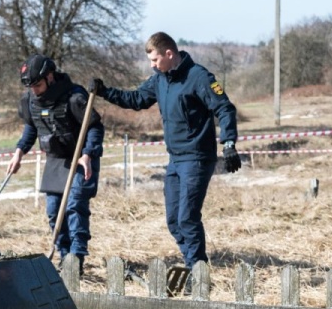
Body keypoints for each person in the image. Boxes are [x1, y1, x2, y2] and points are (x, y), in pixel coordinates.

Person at [88, 32, 241, 271]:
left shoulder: (199, 77)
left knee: (187, 218)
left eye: (155, 60)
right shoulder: (160, 79)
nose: (152, 65)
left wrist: (229, 143)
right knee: (173, 221)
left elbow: (224, 108)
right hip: (175, 159)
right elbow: (136, 99)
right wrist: (105, 92)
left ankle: (197, 271)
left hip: (197, 158)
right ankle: (194, 263)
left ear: (169, 54)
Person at [7, 54, 104, 274]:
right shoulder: (30, 100)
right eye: (31, 87)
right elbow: (32, 127)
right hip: (55, 160)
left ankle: (76, 260)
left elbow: (95, 127)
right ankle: (63, 254)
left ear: (50, 77)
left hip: (80, 159)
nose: (35, 91)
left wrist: (88, 154)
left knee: (74, 207)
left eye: (38, 85)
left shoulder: (74, 97)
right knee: (53, 211)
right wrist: (19, 152)